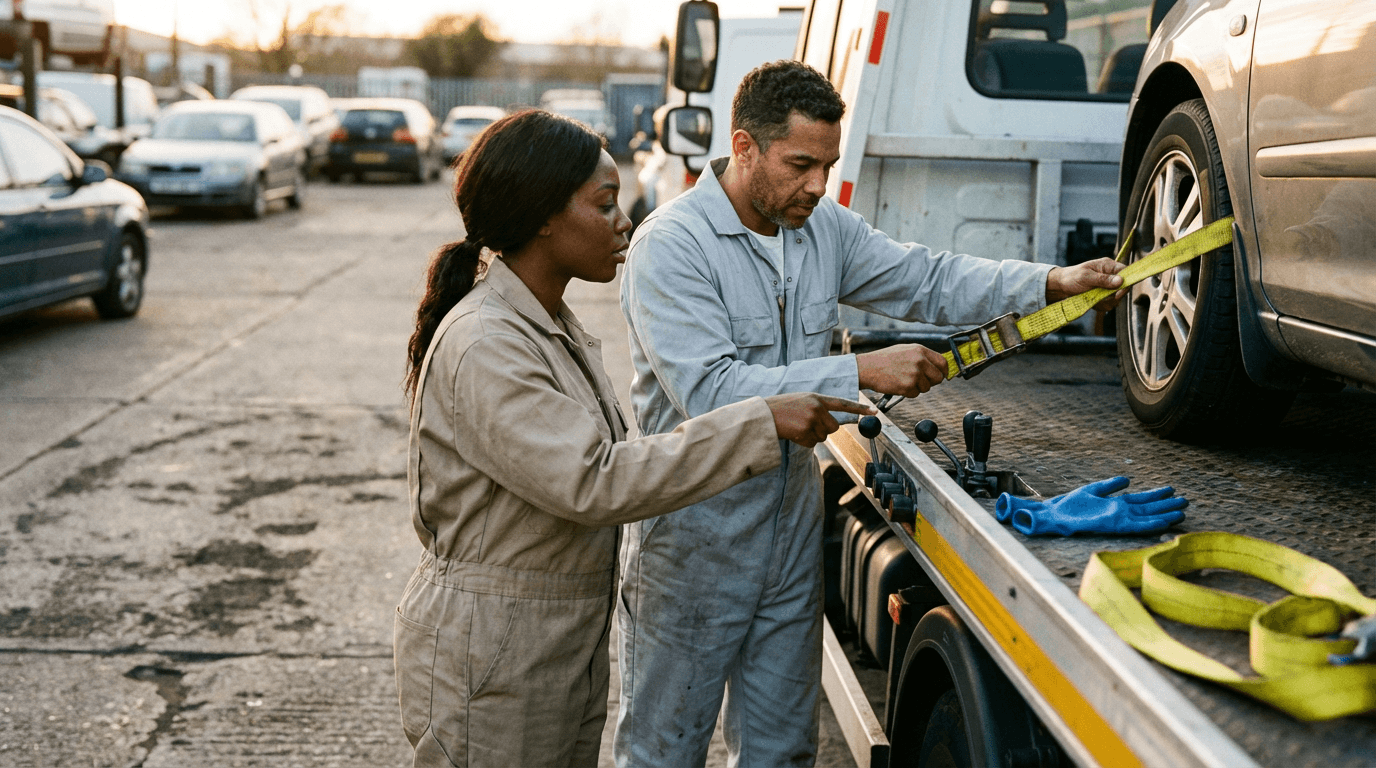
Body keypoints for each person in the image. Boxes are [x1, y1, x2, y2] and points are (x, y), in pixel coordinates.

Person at [615, 61, 1126, 766]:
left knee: (781, 752)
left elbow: (929, 277)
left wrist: (1049, 282)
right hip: (694, 541)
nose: (818, 186)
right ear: (742, 147)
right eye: (800, 165)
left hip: (789, 531)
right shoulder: (672, 247)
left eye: (826, 164)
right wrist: (858, 370)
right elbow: (710, 393)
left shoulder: (820, 228)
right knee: (663, 752)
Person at [394, 108, 873, 768]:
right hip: (495, 649)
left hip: (546, 642)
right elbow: (595, 480)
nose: (625, 221)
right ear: (542, 215)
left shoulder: (544, 325)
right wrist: (760, 420)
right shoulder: (488, 342)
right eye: (605, 203)